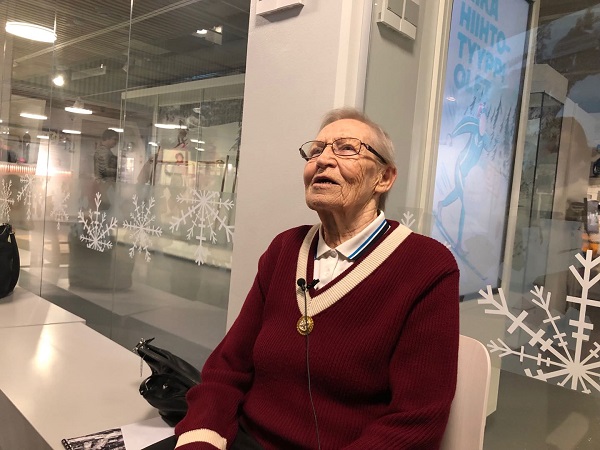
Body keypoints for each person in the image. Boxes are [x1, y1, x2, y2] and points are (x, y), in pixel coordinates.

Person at [174, 108, 460, 449]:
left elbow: (417, 420)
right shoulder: (284, 248)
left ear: (384, 178)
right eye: (315, 151)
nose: (322, 160)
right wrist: (201, 438)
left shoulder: (426, 265)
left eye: (347, 148)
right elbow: (228, 368)